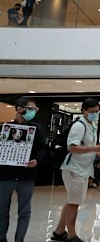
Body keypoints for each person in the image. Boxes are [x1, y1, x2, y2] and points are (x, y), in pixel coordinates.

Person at [51, 98, 100, 242]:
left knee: (71, 201)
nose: (95, 114)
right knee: (74, 203)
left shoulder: (90, 125)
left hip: (82, 169)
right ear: (83, 111)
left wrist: (95, 150)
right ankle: (71, 235)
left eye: (97, 112)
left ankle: (59, 231)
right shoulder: (79, 126)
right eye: (92, 112)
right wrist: (94, 148)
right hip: (74, 169)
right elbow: (72, 147)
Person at [0, 98, 47, 242]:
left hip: (26, 175)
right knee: (2, 211)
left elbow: (43, 149)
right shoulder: (4, 128)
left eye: (35, 110)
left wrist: (37, 160)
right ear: (19, 109)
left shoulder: (37, 129)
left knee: (24, 211)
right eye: (30, 108)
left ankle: (19, 239)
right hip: (5, 175)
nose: (33, 112)